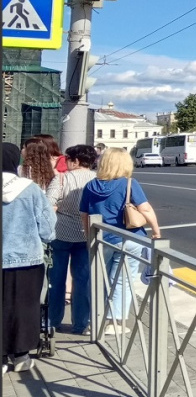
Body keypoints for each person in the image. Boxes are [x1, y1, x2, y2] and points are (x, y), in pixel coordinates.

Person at [80, 148, 161, 334]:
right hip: (130, 239)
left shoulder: (91, 186)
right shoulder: (129, 184)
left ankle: (95, 321)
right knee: (122, 281)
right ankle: (115, 323)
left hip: (101, 239)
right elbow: (146, 209)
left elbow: (84, 215)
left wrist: (88, 237)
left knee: (98, 279)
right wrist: (156, 232)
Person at [2, 143, 56, 373]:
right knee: (25, 306)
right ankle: (21, 356)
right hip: (27, 260)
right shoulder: (30, 189)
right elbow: (47, 229)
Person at [45, 145, 98, 335]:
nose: (65, 162)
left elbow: (49, 203)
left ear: (75, 161)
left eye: (68, 159)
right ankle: (80, 324)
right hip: (86, 234)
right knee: (82, 280)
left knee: (56, 279)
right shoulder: (97, 179)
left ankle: (52, 321)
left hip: (60, 233)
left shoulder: (61, 178)